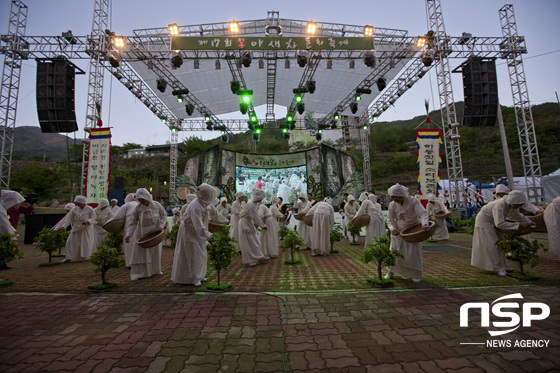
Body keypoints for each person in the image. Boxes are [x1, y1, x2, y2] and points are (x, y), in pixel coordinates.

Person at [471, 190, 534, 276]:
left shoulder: (511, 205)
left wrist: (529, 222)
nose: (518, 206)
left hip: (494, 222)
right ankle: (497, 268)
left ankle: (504, 265)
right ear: (512, 201)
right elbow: (499, 223)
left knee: (502, 243)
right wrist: (519, 225)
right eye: (517, 205)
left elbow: (518, 215)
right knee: (493, 245)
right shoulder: (499, 205)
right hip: (485, 223)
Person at [171, 184, 215, 286]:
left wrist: (225, 221)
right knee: (192, 254)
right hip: (189, 232)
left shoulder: (202, 204)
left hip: (198, 232)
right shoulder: (194, 206)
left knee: (201, 253)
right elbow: (197, 223)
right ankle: (193, 278)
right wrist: (208, 236)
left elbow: (214, 215)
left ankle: (200, 275)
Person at [385, 184, 430, 283]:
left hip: (413, 230)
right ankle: (390, 272)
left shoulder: (413, 201)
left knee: (413, 254)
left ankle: (414, 274)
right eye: (392, 197)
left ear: (400, 195)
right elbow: (390, 219)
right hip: (399, 231)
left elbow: (423, 213)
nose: (393, 199)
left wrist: (425, 224)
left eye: (394, 197)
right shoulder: (392, 204)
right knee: (394, 251)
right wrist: (392, 228)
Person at [125, 188, 167, 281]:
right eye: (139, 200)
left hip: (155, 233)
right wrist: (129, 235)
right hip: (142, 234)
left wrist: (161, 226)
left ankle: (155, 270)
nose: (141, 201)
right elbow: (133, 222)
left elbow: (164, 216)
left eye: (142, 199)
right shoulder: (138, 208)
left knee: (154, 252)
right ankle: (138, 273)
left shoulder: (157, 205)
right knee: (140, 254)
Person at [55, 195, 95, 263]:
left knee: (84, 242)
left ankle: (85, 256)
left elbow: (93, 217)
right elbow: (68, 218)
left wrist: (88, 221)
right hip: (76, 227)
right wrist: (63, 226)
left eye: (78, 202)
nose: (77, 204)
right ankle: (69, 257)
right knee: (69, 242)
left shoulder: (90, 209)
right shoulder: (74, 209)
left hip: (85, 228)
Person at [238, 189, 269, 267]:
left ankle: (258, 256)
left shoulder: (254, 204)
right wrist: (263, 225)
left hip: (249, 223)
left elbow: (256, 216)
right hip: (245, 224)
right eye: (261, 198)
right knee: (247, 242)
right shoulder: (251, 205)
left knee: (255, 241)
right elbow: (255, 217)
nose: (262, 199)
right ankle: (248, 261)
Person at [108, 193, 137, 268]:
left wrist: (106, 224)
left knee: (129, 243)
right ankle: (138, 262)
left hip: (130, 223)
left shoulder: (126, 205)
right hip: (139, 224)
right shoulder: (138, 204)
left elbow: (117, 217)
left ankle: (130, 263)